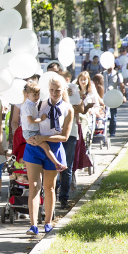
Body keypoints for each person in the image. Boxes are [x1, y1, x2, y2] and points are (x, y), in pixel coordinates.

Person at [23, 75, 74, 235]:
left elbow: (65, 136)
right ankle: (33, 225)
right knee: (34, 186)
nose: (54, 93)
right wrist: (28, 138)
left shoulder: (68, 109)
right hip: (34, 147)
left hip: (53, 147)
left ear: (63, 90)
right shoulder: (40, 103)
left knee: (49, 187)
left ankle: (48, 222)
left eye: (57, 90)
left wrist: (43, 138)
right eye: (51, 90)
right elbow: (28, 120)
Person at [20, 82, 66, 171]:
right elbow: (31, 120)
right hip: (30, 132)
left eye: (38, 94)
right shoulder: (28, 106)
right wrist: (41, 119)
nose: (37, 97)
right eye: (34, 95)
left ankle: (57, 163)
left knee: (45, 147)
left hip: (31, 131)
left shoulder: (32, 103)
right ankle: (57, 164)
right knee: (45, 147)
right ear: (27, 95)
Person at [56, 71, 81, 209]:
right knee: (51, 165)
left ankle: (64, 197)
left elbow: (80, 108)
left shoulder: (71, 89)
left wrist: (69, 101)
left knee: (66, 167)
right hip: (53, 134)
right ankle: (51, 194)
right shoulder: (48, 93)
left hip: (70, 134)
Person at [105, 66, 125, 137]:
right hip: (104, 97)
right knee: (103, 116)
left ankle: (112, 132)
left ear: (113, 65)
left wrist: (123, 95)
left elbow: (121, 85)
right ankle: (102, 132)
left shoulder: (117, 74)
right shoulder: (102, 73)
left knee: (113, 115)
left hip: (113, 97)